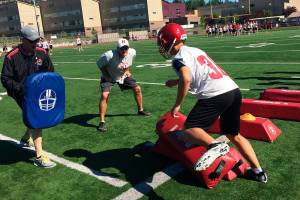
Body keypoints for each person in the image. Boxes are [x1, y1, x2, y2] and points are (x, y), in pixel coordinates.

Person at [157, 23, 267, 183]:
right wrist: (175, 81)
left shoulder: (178, 58)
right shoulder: (195, 50)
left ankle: (214, 146)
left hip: (215, 93)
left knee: (188, 131)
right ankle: (258, 172)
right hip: (233, 90)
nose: (162, 45)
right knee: (234, 135)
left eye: (162, 42)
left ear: (169, 41)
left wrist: (177, 104)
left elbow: (187, 78)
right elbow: (197, 72)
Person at [1, 26, 56, 168]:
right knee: (36, 118)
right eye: (32, 41)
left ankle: (26, 138)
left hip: (38, 93)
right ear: (22, 40)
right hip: (20, 93)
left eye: (37, 40)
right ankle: (39, 156)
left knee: (32, 116)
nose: (35, 43)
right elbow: (5, 79)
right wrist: (21, 88)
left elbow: (50, 71)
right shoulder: (11, 57)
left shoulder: (42, 53)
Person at [96, 38, 151, 132]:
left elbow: (128, 62)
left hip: (122, 75)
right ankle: (102, 122)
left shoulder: (132, 52)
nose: (124, 50)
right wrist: (106, 75)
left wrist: (127, 70)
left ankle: (140, 110)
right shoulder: (109, 55)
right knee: (104, 95)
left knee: (137, 88)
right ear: (117, 48)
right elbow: (99, 64)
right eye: (122, 48)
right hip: (109, 75)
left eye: (126, 48)